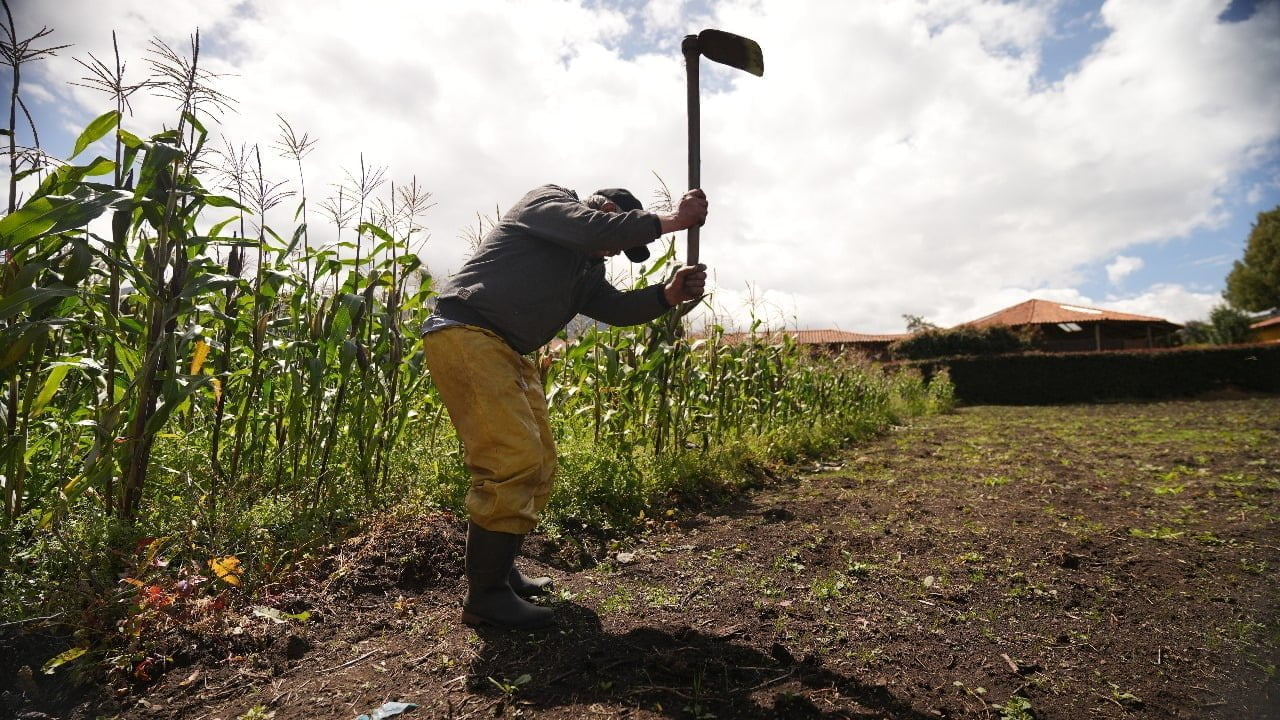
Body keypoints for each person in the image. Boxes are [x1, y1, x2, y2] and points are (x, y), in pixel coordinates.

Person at [421, 184, 709, 630]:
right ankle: (485, 598)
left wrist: (667, 295)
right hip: (467, 332)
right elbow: (590, 228)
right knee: (511, 458)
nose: (610, 254)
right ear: (606, 210)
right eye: (617, 243)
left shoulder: (586, 270)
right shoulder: (549, 203)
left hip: (510, 350)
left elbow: (616, 307)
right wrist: (676, 220)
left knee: (538, 465)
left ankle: (501, 574)